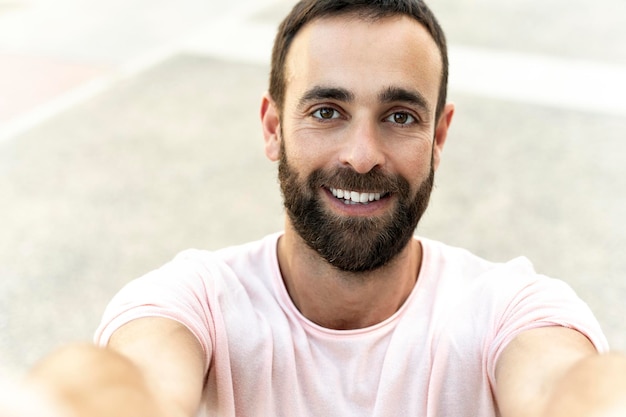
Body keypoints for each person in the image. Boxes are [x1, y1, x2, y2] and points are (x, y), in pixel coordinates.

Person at [14, 0, 626, 416]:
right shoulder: (194, 301)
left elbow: (570, 387)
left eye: (400, 117)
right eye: (327, 112)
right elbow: (128, 381)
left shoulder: (509, 310)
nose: (362, 156)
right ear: (273, 127)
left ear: (439, 137)